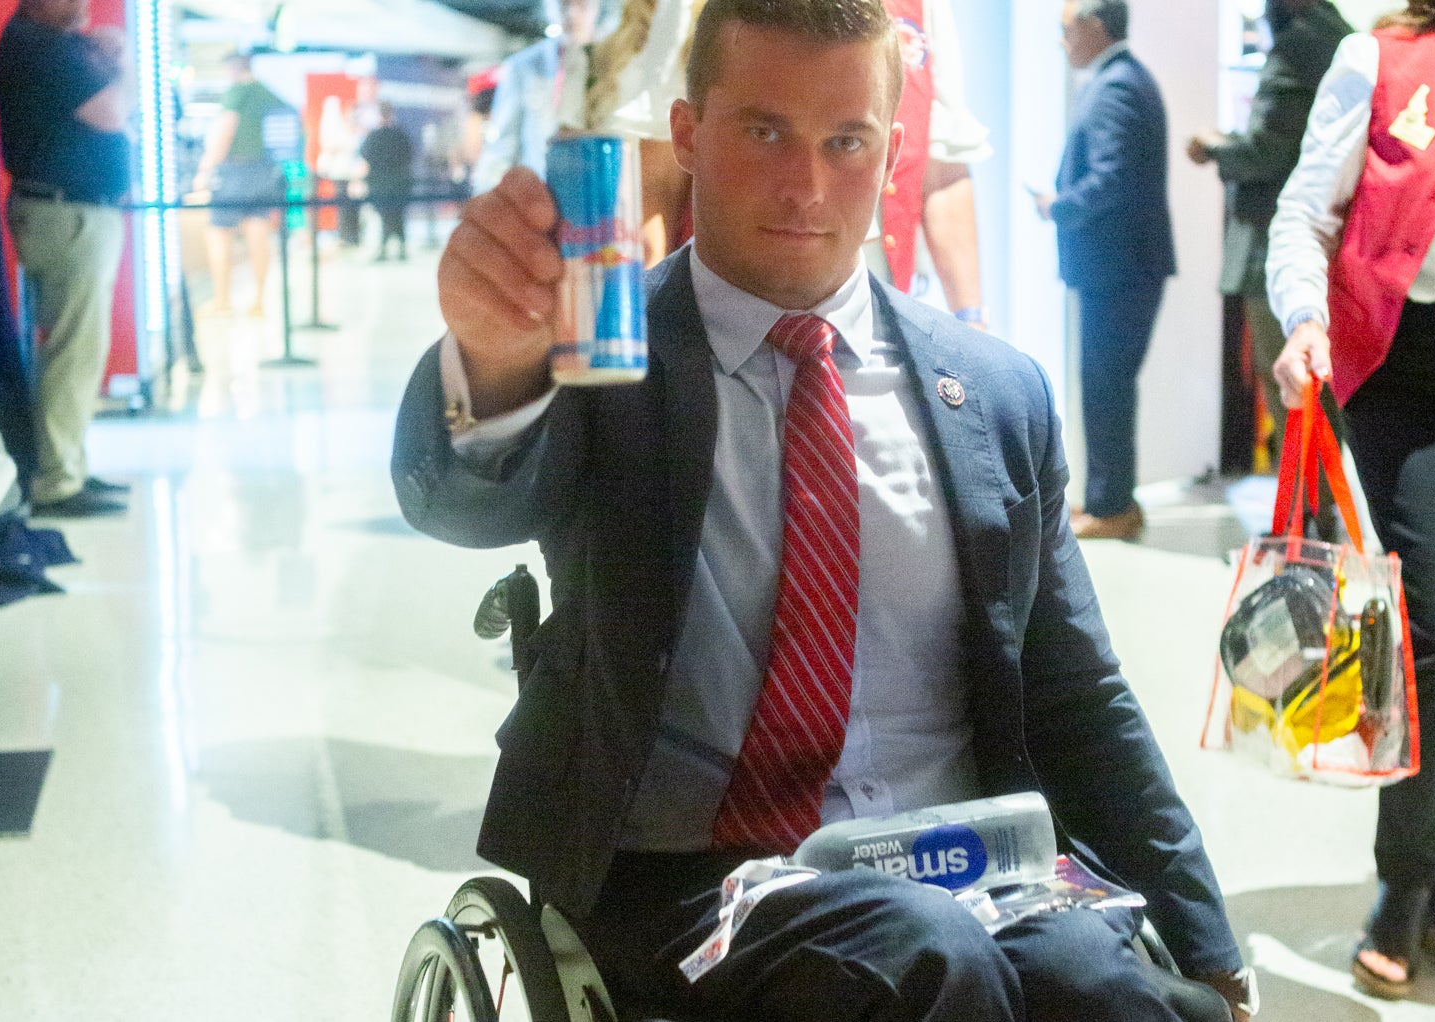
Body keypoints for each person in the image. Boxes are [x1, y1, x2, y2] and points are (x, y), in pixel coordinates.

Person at [394, 2, 1257, 1019]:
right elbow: (462, 497)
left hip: (965, 857)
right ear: (688, 135)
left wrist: (1209, 946)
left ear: (890, 154)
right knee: (925, 960)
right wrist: (494, 361)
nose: (805, 185)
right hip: (693, 875)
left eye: (845, 141)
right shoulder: (606, 361)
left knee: (1109, 987)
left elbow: (1075, 692)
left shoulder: (992, 393)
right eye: (764, 131)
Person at [1267, 0, 1435, 999]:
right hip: (1414, 376)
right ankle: (1402, 887)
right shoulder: (1380, 61)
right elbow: (1303, 212)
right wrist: (1299, 320)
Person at [573, 0, 991, 321]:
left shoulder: (922, 7)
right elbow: (660, 165)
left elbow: (941, 167)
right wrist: (643, 318)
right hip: (723, 307)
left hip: (876, 295)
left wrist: (970, 319)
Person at [1187, 0, 1350, 522]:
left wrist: (1215, 150)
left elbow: (1270, 151)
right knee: (1313, 390)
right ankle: (1314, 519)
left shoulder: (1301, 42)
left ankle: (1307, 529)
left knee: (1292, 389)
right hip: (1327, 245)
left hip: (1278, 247)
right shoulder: (1337, 35)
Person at [1032, 0, 1174, 542]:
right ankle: (1109, 501)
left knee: (1106, 387)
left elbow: (1111, 181)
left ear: (1094, 27)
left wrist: (1057, 205)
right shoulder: (1123, 78)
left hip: (1120, 268)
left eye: (1064, 29)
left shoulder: (1118, 84)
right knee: (1105, 386)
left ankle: (1112, 506)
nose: (1061, 41)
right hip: (1120, 267)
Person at [0, 0, 132, 518]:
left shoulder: (45, 43)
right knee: (74, 351)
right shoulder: (42, 46)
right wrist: (116, 62)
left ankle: (66, 462)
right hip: (66, 212)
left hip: (66, 209)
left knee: (77, 349)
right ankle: (58, 479)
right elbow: (112, 113)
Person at [191, 53, 290, 318]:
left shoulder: (237, 92)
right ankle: (259, 300)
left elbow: (226, 127)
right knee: (258, 232)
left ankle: (222, 300)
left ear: (234, 69)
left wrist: (206, 168)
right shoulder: (266, 92)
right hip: (264, 172)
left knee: (218, 233)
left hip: (234, 172)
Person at [470, 0, 604, 192]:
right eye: (564, 5)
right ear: (551, 7)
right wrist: (484, 202)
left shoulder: (611, 66)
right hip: (539, 200)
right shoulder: (522, 67)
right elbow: (501, 148)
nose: (572, 14)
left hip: (597, 196)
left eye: (581, 4)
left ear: (596, 6)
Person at [360, 101, 417, 262]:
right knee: (397, 216)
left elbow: (366, 154)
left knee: (386, 216)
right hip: (398, 183)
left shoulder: (375, 136)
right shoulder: (400, 135)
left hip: (381, 184)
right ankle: (398, 248)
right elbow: (409, 155)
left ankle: (389, 248)